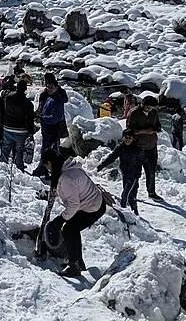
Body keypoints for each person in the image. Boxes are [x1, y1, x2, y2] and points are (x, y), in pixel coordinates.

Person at [44, 148, 106, 278]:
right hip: (92, 203)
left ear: (50, 162)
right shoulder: (67, 168)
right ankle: (77, 262)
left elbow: (73, 204)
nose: (46, 167)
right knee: (72, 228)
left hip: (92, 208)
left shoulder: (67, 177)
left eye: (46, 164)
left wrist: (60, 220)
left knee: (68, 230)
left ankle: (74, 266)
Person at [97, 129, 145, 215]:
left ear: (133, 138)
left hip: (133, 176)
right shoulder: (120, 147)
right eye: (126, 137)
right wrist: (102, 165)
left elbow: (142, 162)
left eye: (130, 138)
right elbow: (112, 157)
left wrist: (138, 174)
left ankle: (123, 213)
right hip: (125, 173)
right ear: (123, 138)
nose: (127, 140)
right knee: (131, 196)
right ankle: (135, 213)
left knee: (125, 195)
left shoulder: (137, 149)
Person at [127, 93, 162, 201]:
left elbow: (158, 125)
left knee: (151, 171)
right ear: (142, 104)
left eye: (152, 107)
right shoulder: (134, 113)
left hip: (151, 146)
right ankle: (132, 194)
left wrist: (155, 129)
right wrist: (144, 131)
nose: (149, 109)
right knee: (136, 172)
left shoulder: (154, 113)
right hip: (138, 147)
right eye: (148, 107)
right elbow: (129, 130)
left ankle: (151, 192)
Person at [0, 80, 36, 171]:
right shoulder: (28, 103)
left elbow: (2, 94)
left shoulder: (8, 97)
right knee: (19, 150)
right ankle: (19, 167)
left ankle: (1, 165)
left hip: (7, 127)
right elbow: (30, 119)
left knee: (6, 147)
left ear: (17, 87)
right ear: (25, 89)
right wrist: (31, 132)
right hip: (21, 130)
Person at [37, 74, 69, 171]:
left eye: (51, 87)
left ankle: (43, 169)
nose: (49, 88)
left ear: (55, 87)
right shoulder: (53, 95)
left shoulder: (55, 98)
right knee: (53, 150)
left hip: (52, 128)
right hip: (51, 128)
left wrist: (41, 118)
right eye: (48, 87)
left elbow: (54, 117)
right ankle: (52, 169)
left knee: (48, 151)